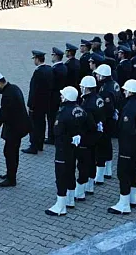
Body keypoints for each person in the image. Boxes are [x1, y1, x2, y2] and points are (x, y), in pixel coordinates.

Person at [46, 86, 93, 216]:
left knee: (61, 176)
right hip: (74, 148)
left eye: (62, 95)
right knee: (71, 171)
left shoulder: (63, 112)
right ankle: (70, 199)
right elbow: (90, 126)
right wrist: (79, 136)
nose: (61, 97)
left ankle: (60, 205)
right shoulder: (81, 110)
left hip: (63, 148)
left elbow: (57, 132)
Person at [108, 79, 136, 215]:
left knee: (123, 172)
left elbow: (127, 128)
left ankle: (124, 203)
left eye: (126, 90)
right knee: (132, 170)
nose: (124, 91)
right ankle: (132, 198)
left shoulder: (129, 107)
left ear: (131, 91)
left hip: (128, 144)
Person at [0, 72, 31, 187]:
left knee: (10, 153)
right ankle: (10, 174)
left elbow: (3, 113)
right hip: (19, 127)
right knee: (12, 152)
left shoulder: (7, 95)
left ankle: (11, 179)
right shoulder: (14, 88)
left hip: (14, 129)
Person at [24, 50, 53, 154]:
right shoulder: (49, 69)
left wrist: (30, 104)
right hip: (45, 103)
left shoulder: (38, 72)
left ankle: (34, 146)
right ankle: (40, 144)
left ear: (37, 59)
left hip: (36, 105)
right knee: (41, 123)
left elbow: (34, 90)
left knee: (34, 125)